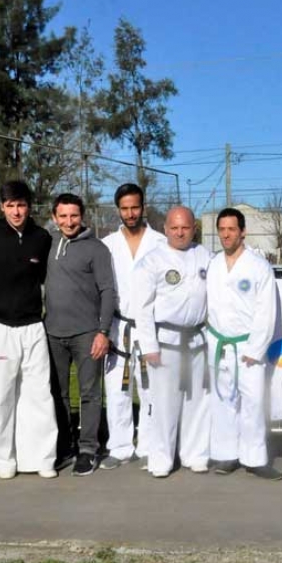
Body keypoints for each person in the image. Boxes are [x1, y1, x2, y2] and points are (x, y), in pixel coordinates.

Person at [0, 180, 57, 480]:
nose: (16, 211)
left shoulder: (42, 237)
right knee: (0, 395)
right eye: (10, 205)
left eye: (21, 205)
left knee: (39, 394)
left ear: (30, 206)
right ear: (1, 206)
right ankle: (3, 458)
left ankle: (41, 457)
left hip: (33, 325)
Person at [132, 205, 212, 478]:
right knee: (164, 403)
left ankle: (195, 454)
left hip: (197, 339)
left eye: (185, 227)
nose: (180, 232)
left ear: (194, 229)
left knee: (197, 400)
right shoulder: (152, 261)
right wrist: (149, 347)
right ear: (165, 229)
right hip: (165, 341)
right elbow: (141, 308)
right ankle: (161, 458)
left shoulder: (204, 255)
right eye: (174, 227)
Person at [205, 207, 282, 480]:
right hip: (219, 343)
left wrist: (255, 349)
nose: (226, 235)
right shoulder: (213, 264)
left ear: (243, 232)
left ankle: (255, 458)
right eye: (222, 230)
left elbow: (267, 312)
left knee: (252, 403)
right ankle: (227, 455)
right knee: (223, 401)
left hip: (247, 345)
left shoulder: (258, 266)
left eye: (231, 229)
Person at [44, 193, 116, 477]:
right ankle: (64, 446)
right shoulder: (49, 244)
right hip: (52, 333)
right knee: (57, 394)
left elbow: (108, 290)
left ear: (82, 216)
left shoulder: (96, 249)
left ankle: (88, 449)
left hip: (87, 333)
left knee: (89, 394)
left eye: (74, 215)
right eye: (63, 216)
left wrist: (102, 331)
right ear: (54, 217)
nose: (69, 221)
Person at [100, 183, 166, 470]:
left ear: (143, 207)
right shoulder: (107, 245)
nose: (130, 213)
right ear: (118, 210)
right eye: (125, 208)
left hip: (150, 326)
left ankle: (150, 446)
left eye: (135, 207)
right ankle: (120, 446)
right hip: (119, 325)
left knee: (150, 388)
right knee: (117, 389)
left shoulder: (161, 243)